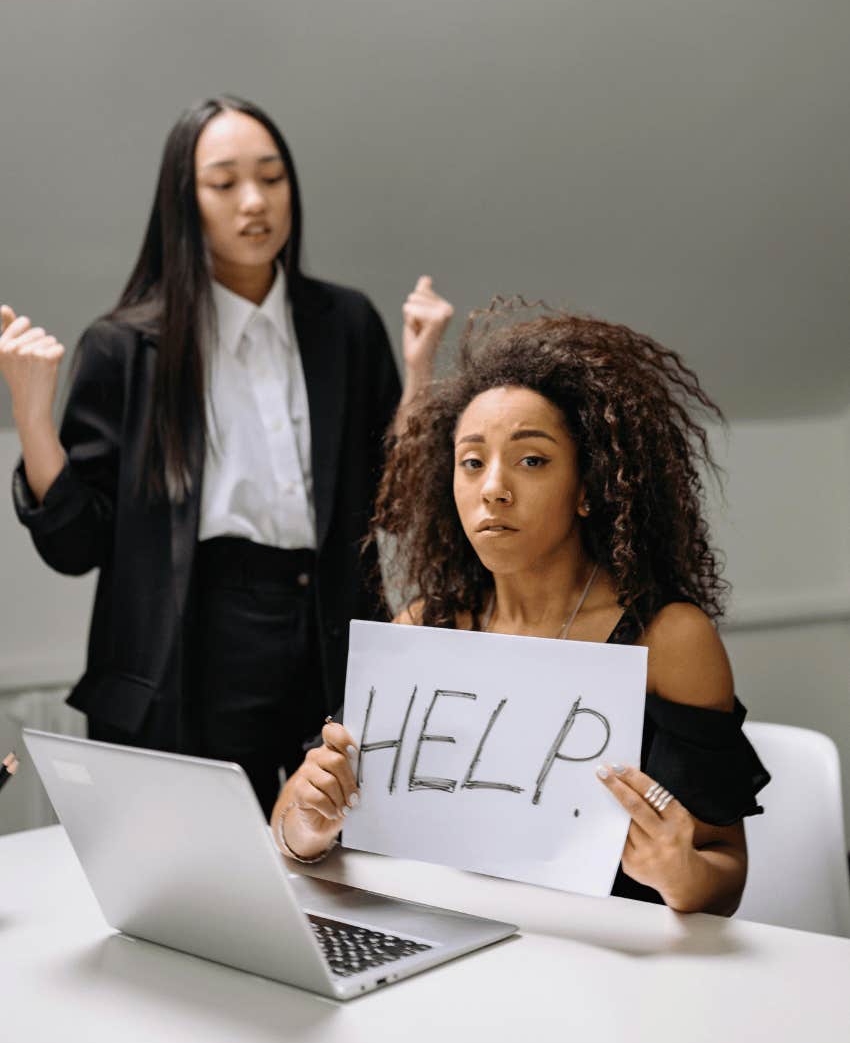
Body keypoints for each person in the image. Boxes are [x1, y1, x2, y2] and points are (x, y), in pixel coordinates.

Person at [0, 94, 452, 818]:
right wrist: (30, 412)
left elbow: (393, 510)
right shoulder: (125, 347)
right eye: (225, 182)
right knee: (200, 887)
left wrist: (420, 371)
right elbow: (77, 544)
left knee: (346, 871)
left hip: (326, 631)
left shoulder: (345, 324)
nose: (255, 201)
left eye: (272, 178)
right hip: (190, 647)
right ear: (185, 199)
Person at [272, 303, 770, 914]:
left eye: (531, 460)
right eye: (471, 462)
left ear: (589, 487)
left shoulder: (668, 639)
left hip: (606, 965)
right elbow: (291, 825)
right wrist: (308, 828)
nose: (494, 487)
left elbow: (725, 874)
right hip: (438, 942)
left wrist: (678, 871)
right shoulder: (423, 626)